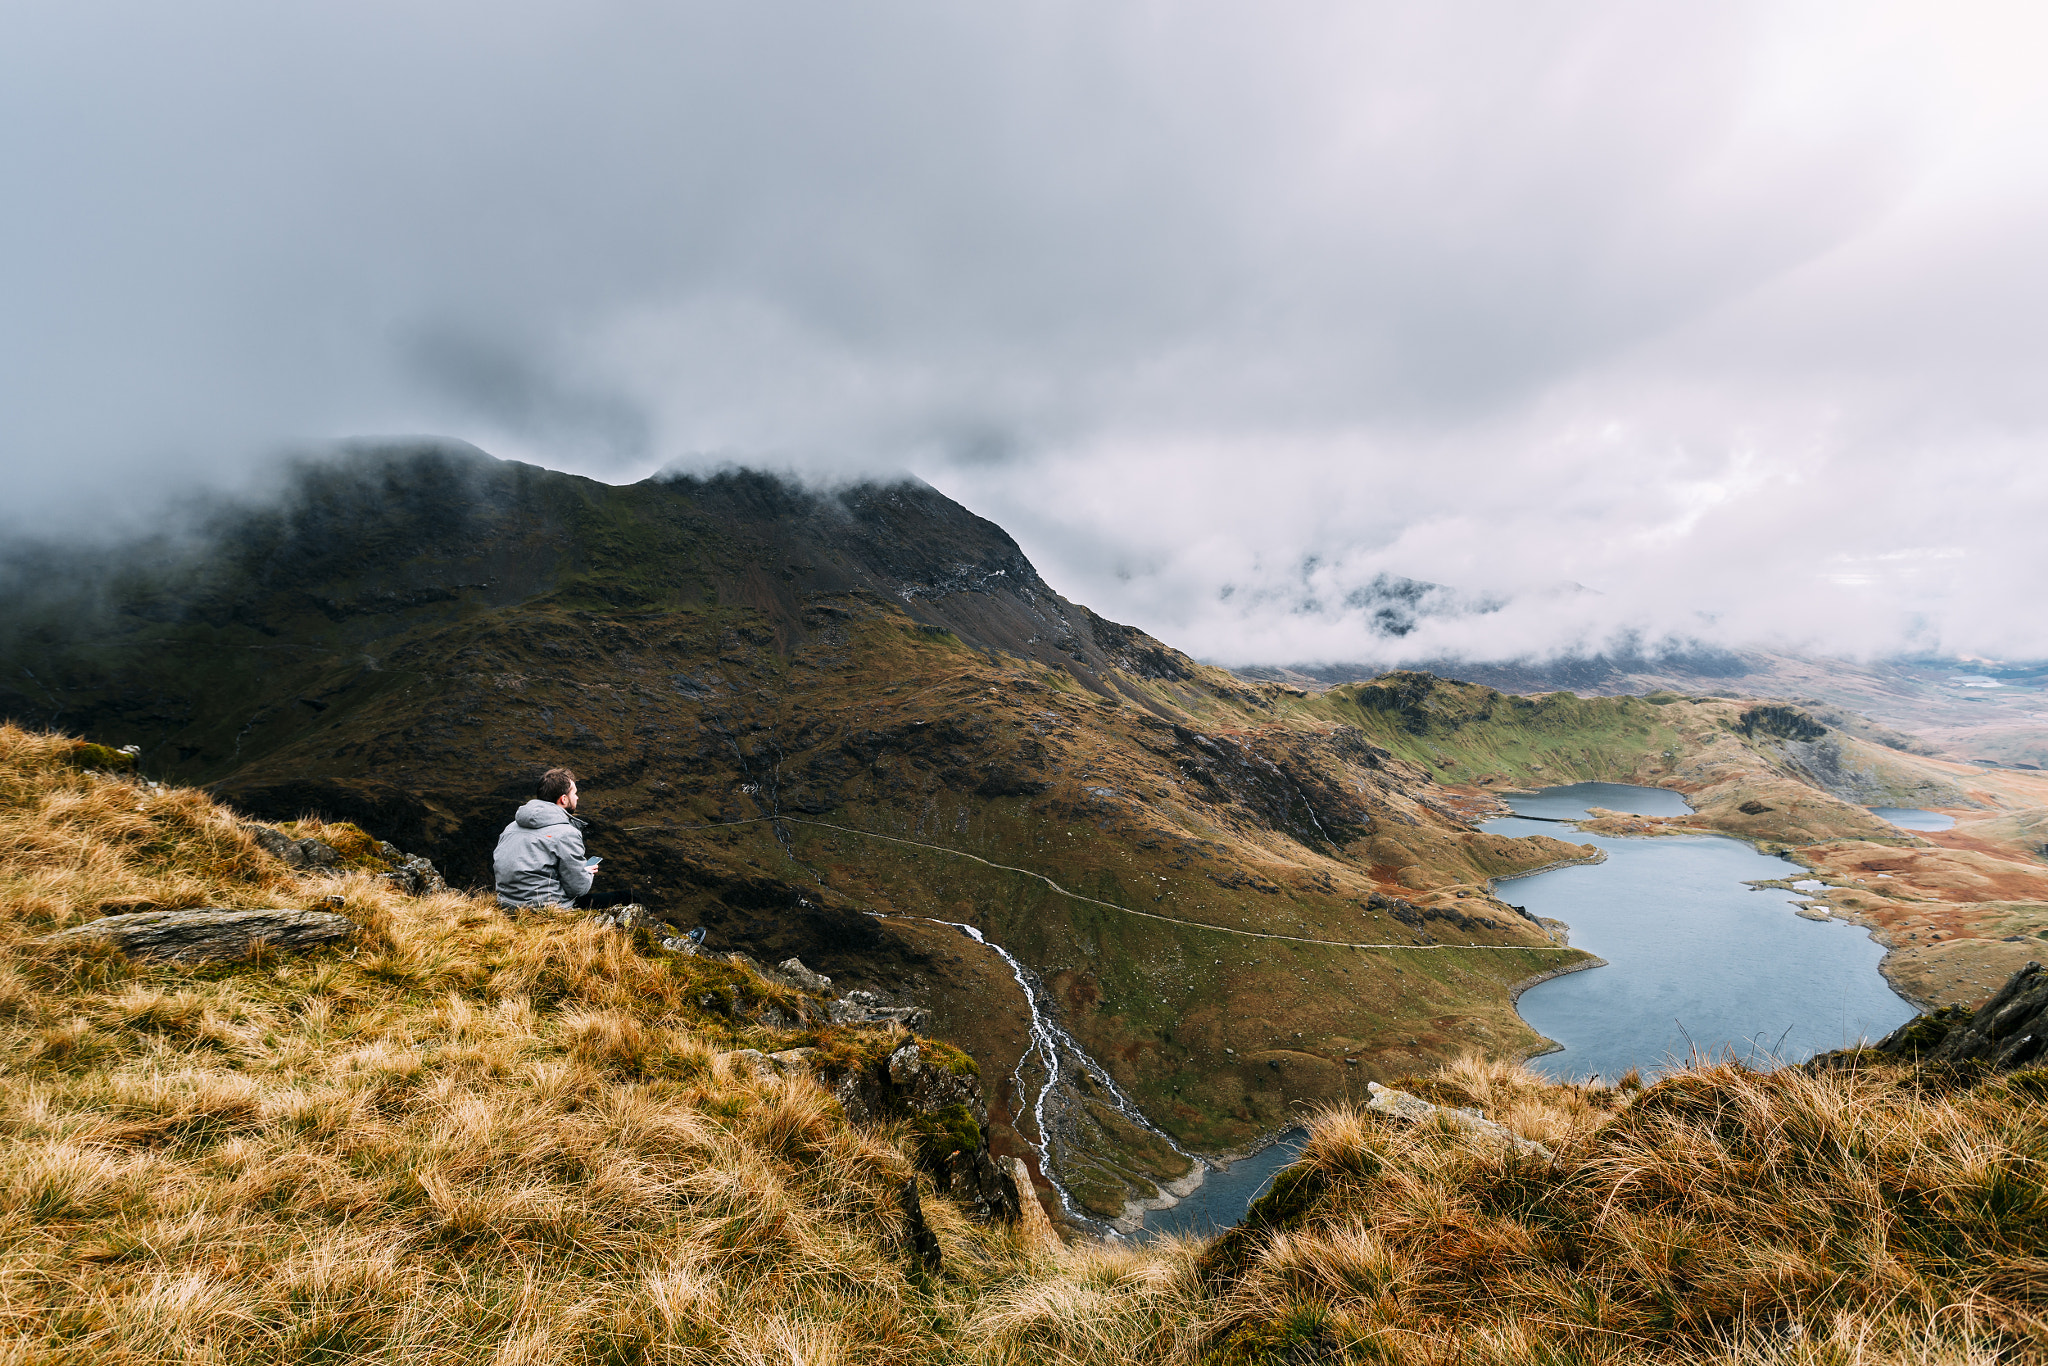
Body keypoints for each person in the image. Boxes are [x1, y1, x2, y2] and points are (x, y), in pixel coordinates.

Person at [494, 767, 599, 911]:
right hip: (544, 908)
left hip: (507, 904)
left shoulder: (512, 826)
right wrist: (586, 872)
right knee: (627, 897)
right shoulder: (566, 833)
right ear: (563, 799)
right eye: (574, 793)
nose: (577, 797)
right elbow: (578, 889)